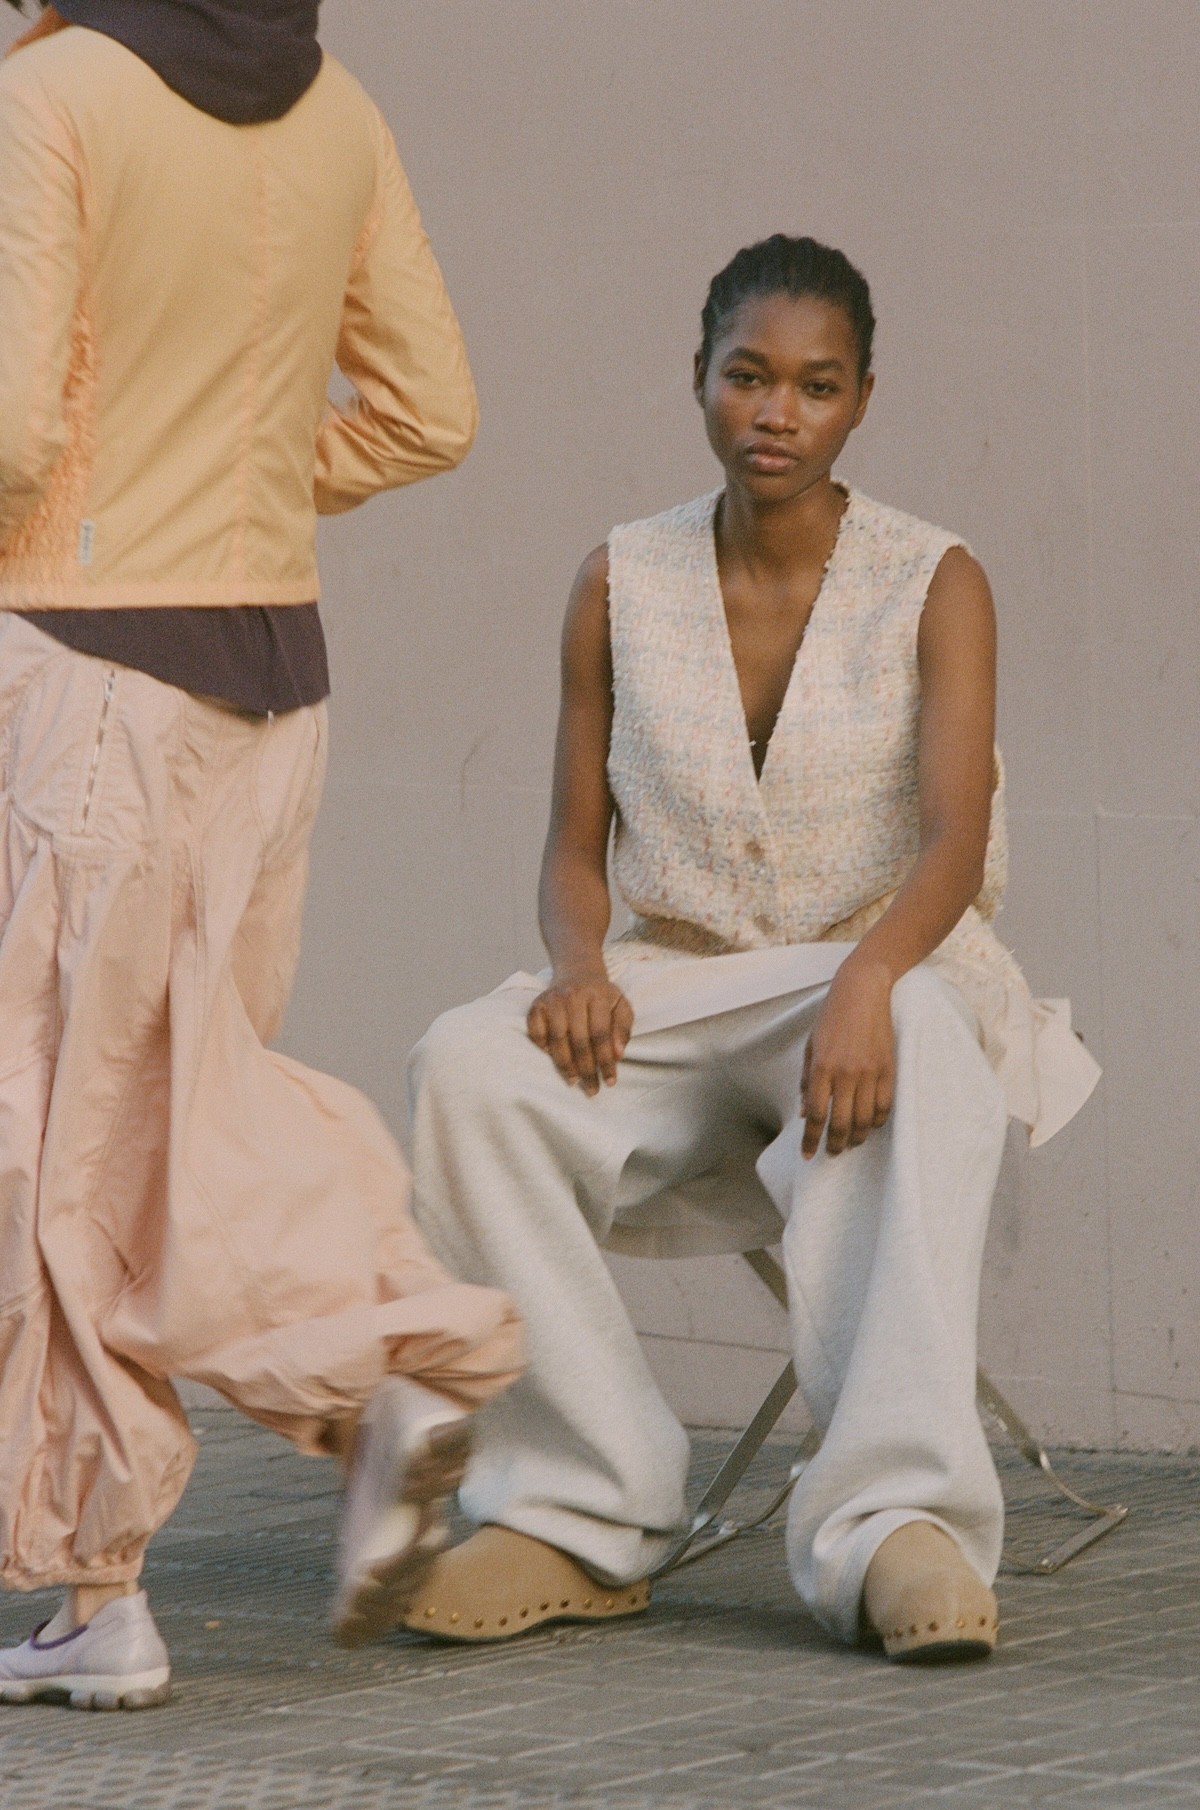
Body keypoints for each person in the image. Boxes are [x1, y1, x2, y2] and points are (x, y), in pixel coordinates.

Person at [404, 234, 1100, 1664]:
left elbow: (954, 839)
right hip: (678, 984)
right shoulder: (619, 579)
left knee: (924, 1038)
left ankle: (894, 1519)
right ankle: (579, 1501)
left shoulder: (935, 579)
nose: (778, 412)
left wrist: (867, 976)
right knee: (465, 1066)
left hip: (873, 973)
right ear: (701, 379)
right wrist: (578, 966)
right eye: (749, 376)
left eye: (816, 385)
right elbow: (573, 847)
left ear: (860, 401)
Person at [0, 0, 523, 1709]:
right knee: (182, 1105)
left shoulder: (51, 97)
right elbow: (432, 409)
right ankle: (145, 1562)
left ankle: (321, 1407)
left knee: (57, 1134)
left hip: (85, 668)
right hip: (272, 681)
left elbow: (10, 435)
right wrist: (243, 479)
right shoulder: (336, 104)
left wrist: (117, 483)